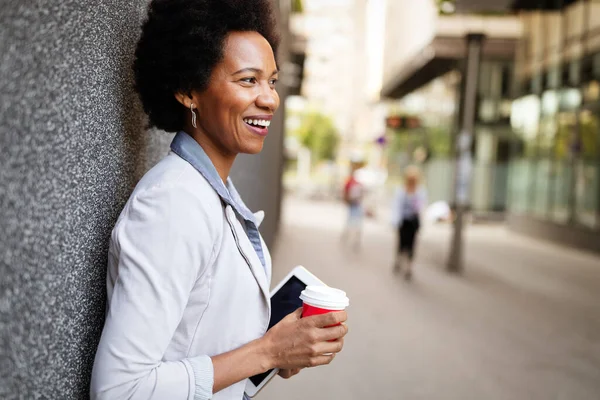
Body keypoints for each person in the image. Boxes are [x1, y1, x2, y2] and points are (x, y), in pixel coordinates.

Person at [90, 1, 348, 399]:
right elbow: (120, 389)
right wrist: (267, 351)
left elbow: (204, 343)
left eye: (272, 82)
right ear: (188, 90)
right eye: (248, 80)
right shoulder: (173, 204)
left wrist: (281, 351)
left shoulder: (214, 193)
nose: (270, 100)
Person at [391, 166, 427, 280]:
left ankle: (408, 267)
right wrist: (395, 221)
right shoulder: (401, 190)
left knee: (411, 245)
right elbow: (396, 206)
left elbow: (422, 206)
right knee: (402, 243)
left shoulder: (420, 191)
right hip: (403, 221)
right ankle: (399, 260)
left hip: (413, 222)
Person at [341, 167, 364, 249]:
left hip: (356, 204)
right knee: (351, 221)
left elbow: (362, 193)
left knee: (356, 222)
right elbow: (345, 192)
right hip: (352, 204)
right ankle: (348, 234)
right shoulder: (349, 182)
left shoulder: (358, 183)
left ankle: (355, 238)